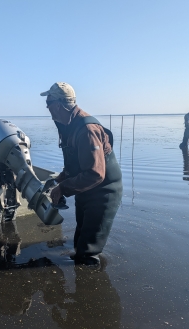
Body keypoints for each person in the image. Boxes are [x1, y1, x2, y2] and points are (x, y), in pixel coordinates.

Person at [40, 82, 123, 266]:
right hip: (86, 190)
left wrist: (63, 188)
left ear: (60, 105)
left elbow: (95, 174)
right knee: (79, 242)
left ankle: (90, 288)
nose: (47, 108)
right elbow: (76, 163)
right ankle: (83, 283)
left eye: (49, 104)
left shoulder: (86, 129)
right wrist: (60, 179)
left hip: (104, 192)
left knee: (87, 251)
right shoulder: (69, 125)